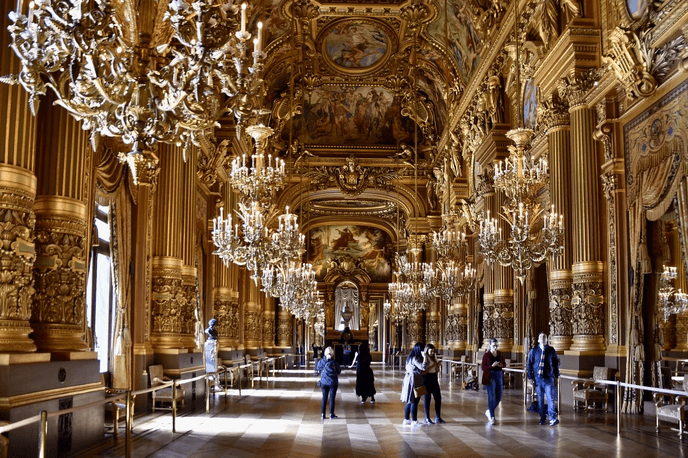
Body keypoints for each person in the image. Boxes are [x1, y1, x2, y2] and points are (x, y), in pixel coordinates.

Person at [527, 332, 560, 426]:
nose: (542, 339)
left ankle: (552, 418)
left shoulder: (551, 350)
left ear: (547, 340)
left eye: (544, 337)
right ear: (538, 340)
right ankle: (542, 418)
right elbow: (529, 364)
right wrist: (530, 377)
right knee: (540, 400)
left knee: (550, 399)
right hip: (538, 379)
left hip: (548, 378)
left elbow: (555, 364)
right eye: (541, 337)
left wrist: (556, 376)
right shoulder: (534, 351)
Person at [400, 342, 429, 426]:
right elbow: (423, 367)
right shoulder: (416, 358)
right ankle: (414, 421)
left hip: (409, 380)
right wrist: (425, 357)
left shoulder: (410, 357)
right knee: (414, 401)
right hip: (413, 381)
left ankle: (406, 419)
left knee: (409, 401)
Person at [481, 338, 506, 424]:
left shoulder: (500, 354)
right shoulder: (486, 355)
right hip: (490, 376)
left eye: (496, 345)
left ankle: (489, 411)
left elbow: (504, 364)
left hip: (498, 375)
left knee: (498, 397)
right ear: (490, 346)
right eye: (493, 346)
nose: (495, 347)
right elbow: (483, 367)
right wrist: (491, 366)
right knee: (491, 396)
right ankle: (492, 416)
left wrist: (501, 364)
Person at [422, 344, 445, 424]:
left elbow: (436, 369)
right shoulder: (424, 357)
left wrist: (437, 365)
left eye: (433, 350)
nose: (432, 352)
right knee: (427, 399)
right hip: (427, 379)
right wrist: (425, 357)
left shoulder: (434, 357)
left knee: (438, 398)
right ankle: (427, 418)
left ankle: (438, 417)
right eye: (431, 350)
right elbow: (424, 369)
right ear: (427, 350)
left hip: (434, 378)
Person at [317, 346, 342, 419]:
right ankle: (331, 414)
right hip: (333, 383)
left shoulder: (321, 362)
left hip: (324, 382)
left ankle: (322, 414)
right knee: (332, 398)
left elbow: (319, 370)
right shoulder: (335, 363)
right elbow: (338, 371)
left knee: (324, 398)